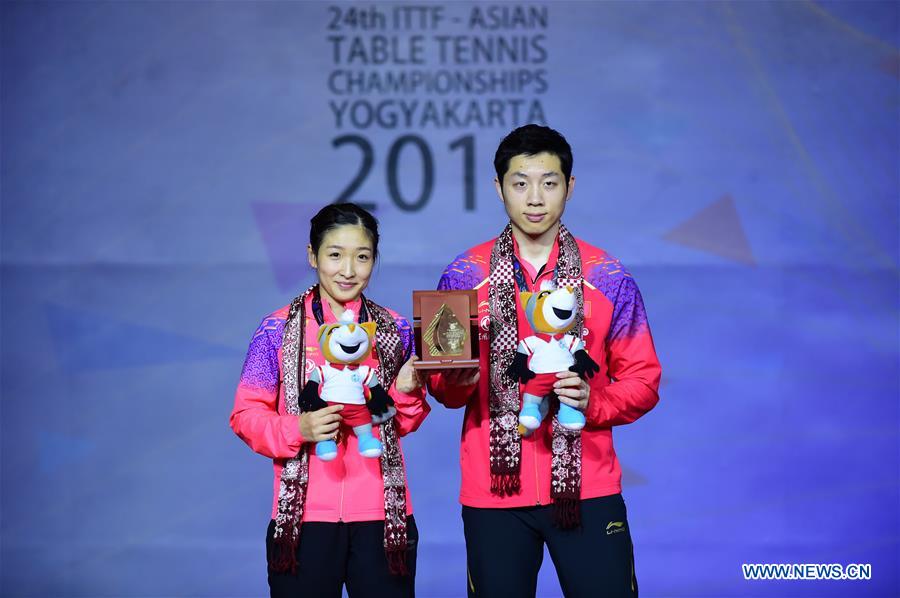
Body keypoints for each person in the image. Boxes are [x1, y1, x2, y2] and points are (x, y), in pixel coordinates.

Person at [428, 124, 661, 597]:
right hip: (494, 493)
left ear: (570, 188)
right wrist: (450, 371)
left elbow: (643, 379)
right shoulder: (461, 275)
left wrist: (593, 401)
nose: (535, 198)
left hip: (588, 490)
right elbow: (445, 393)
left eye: (549, 182)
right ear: (499, 188)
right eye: (520, 183)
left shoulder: (609, 276)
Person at [230, 202, 428, 598]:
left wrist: (405, 393)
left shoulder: (395, 329)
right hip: (303, 519)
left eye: (362, 256)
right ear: (312, 256)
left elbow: (403, 422)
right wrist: (297, 428)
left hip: (382, 518)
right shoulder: (276, 330)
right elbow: (245, 415)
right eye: (335, 255)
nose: (348, 270)